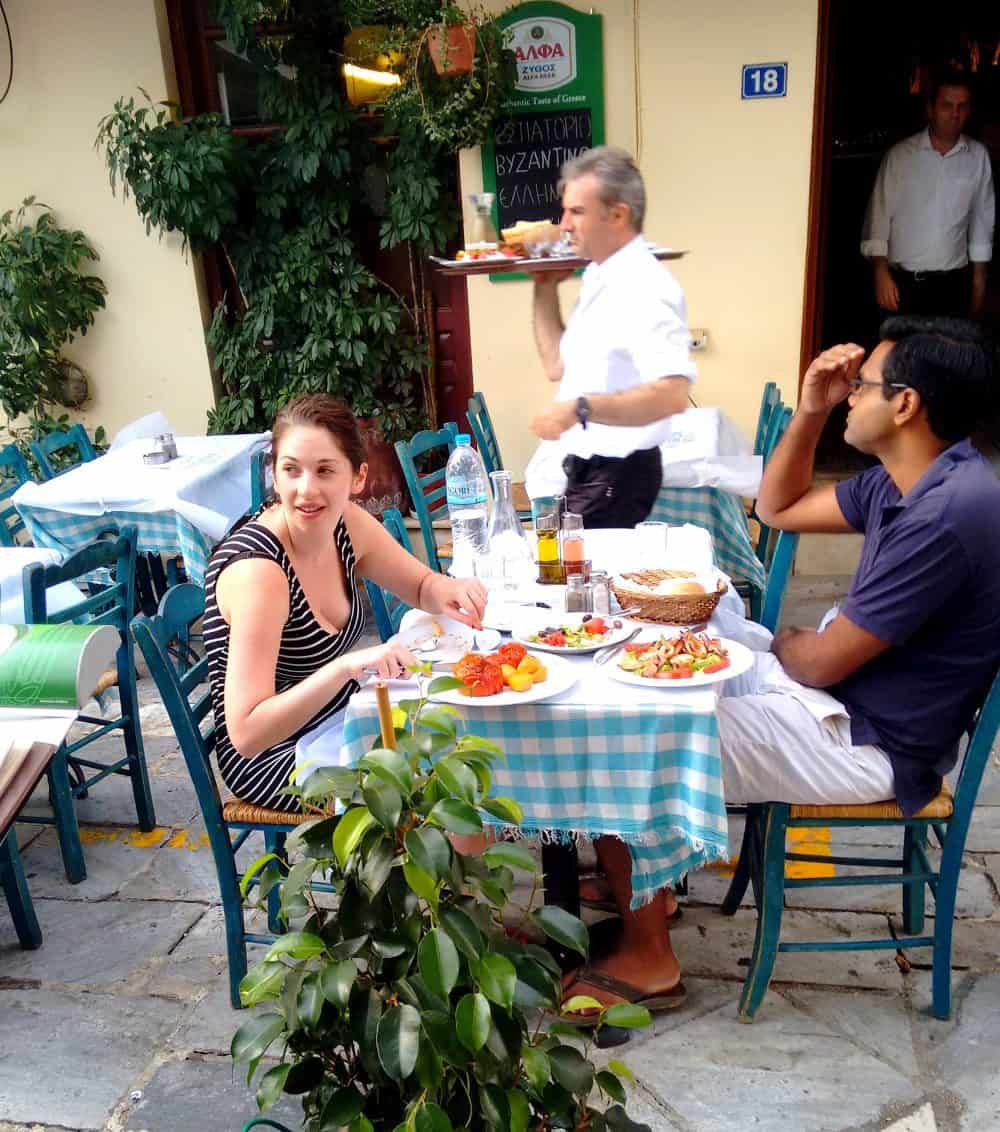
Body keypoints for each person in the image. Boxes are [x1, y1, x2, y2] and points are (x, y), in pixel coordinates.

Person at [563, 316, 1000, 1018]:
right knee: (652, 666)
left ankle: (651, 958)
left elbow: (821, 663)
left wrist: (790, 642)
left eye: (861, 387)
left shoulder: (943, 515)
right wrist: (810, 411)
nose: (850, 395)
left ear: (906, 404)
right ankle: (650, 885)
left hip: (869, 740)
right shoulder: (911, 480)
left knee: (632, 731)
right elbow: (776, 506)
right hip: (847, 701)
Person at [203, 394, 487, 812]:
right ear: (274, 476)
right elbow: (246, 733)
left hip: (338, 712)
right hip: (273, 757)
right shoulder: (260, 572)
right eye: (291, 470)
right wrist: (343, 668)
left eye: (325, 470)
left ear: (357, 477)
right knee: (436, 781)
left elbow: (421, 586)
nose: (306, 490)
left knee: (460, 740)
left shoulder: (345, 524)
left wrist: (452, 589)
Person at [528, 146, 696, 527]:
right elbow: (556, 365)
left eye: (577, 211)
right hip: (590, 471)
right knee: (566, 564)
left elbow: (672, 395)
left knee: (568, 565)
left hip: (617, 477)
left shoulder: (642, 284)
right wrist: (544, 286)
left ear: (618, 215)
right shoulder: (601, 274)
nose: (564, 224)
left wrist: (578, 409)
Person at [861, 68, 995, 319]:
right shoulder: (900, 156)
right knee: (899, 345)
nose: (955, 114)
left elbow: (982, 221)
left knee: (951, 345)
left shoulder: (978, 157)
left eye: (962, 106)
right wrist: (880, 273)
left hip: (953, 285)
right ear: (930, 109)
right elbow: (878, 217)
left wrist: (979, 282)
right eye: (947, 105)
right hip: (901, 285)